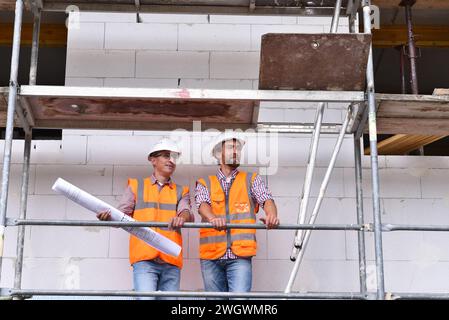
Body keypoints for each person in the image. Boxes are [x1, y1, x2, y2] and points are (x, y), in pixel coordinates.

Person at [97, 138, 193, 300]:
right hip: (145, 259)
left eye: (173, 157)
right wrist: (108, 217)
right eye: (165, 156)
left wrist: (182, 218)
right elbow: (121, 216)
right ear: (153, 160)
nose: (171, 160)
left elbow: (187, 212)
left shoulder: (181, 190)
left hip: (171, 259)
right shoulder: (136, 186)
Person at [195, 133, 279, 297]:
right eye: (230, 147)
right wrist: (213, 218)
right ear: (219, 154)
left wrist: (272, 215)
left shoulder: (251, 179)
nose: (236, 151)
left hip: (240, 255)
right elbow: (202, 205)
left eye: (238, 148)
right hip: (211, 255)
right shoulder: (205, 182)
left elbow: (266, 199)